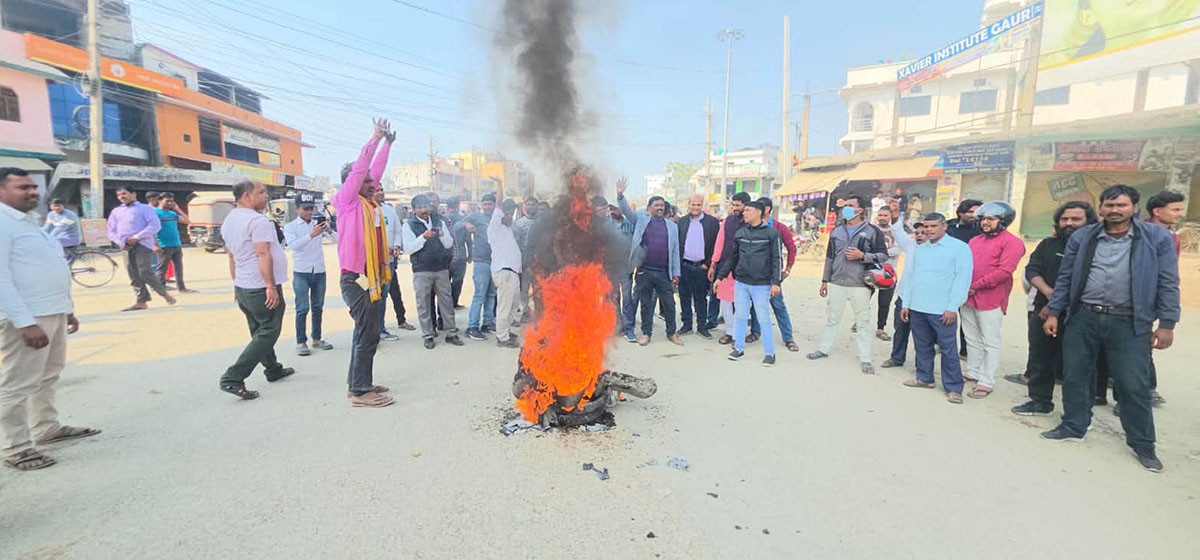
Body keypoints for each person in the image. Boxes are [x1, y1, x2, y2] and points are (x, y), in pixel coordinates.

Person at [1040, 185, 1179, 473]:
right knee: (1076, 375)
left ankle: (1143, 443)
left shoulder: (1156, 238)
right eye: (1110, 205)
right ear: (1101, 208)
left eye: (1121, 205)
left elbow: (1168, 281)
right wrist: (1054, 311)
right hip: (1083, 316)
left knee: (1132, 383)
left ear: (1134, 208)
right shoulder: (1083, 236)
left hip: (1129, 321)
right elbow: (1066, 277)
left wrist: (1167, 323)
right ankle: (1074, 425)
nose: (1115, 210)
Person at [0, 167, 99, 472]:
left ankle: (46, 428)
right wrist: (24, 322)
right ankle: (16, 447)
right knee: (17, 383)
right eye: (23, 188)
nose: (33, 192)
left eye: (33, 187)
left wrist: (67, 308)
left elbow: (49, 266)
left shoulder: (30, 222)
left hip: (51, 311)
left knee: (48, 375)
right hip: (27, 317)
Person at [331, 118, 396, 408]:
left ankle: (358, 384)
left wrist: (388, 145)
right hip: (356, 278)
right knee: (367, 333)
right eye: (367, 182)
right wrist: (375, 138)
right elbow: (362, 169)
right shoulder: (348, 201)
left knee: (368, 332)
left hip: (372, 276)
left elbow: (374, 170)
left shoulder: (370, 204)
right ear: (353, 183)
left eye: (373, 182)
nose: (373, 185)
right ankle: (360, 391)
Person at [1010, 201, 1096, 416]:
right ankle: (1040, 401)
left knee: (1078, 364)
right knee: (1040, 357)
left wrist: (1056, 303)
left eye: (1076, 219)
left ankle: (1078, 414)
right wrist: (1049, 293)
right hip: (1043, 309)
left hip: (1078, 313)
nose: (1069, 223)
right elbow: (1032, 270)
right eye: (1064, 219)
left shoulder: (1095, 248)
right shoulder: (1049, 244)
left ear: (1089, 222)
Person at [217, 179, 295, 400]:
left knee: (259, 330)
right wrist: (270, 285)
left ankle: (273, 369)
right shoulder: (257, 221)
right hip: (260, 286)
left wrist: (236, 284)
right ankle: (233, 377)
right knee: (269, 330)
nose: (266, 196)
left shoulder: (230, 220)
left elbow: (232, 256)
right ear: (246, 196)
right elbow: (263, 253)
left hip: (244, 285)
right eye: (261, 192)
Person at [807, 194, 889, 374]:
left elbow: (883, 255)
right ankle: (823, 349)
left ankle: (865, 358)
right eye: (845, 205)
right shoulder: (837, 231)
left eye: (850, 205)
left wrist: (863, 256)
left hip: (860, 283)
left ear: (860, 210)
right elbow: (829, 257)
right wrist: (825, 280)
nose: (846, 209)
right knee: (832, 318)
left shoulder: (872, 231)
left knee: (863, 322)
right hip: (837, 282)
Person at [899, 213, 973, 404]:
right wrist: (906, 304)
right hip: (918, 306)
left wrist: (952, 307)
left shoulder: (959, 248)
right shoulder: (921, 249)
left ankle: (954, 388)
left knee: (948, 349)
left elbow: (962, 280)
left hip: (942, 310)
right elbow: (912, 277)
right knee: (922, 345)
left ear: (944, 227)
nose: (929, 230)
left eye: (933, 226)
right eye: (926, 226)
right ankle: (925, 378)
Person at [959, 201, 1025, 399]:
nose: (985, 223)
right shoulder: (975, 240)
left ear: (1004, 220)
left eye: (991, 219)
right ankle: (973, 371)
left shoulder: (1013, 243)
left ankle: (986, 381)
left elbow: (1005, 271)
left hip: (991, 298)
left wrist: (976, 286)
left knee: (990, 340)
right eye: (983, 219)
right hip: (967, 297)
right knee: (971, 337)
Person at [616, 177, 682, 346]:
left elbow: (675, 251)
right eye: (656, 205)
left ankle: (672, 333)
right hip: (645, 271)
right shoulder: (641, 220)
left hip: (664, 272)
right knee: (646, 304)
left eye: (662, 205)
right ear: (649, 208)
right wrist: (620, 196)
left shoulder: (672, 226)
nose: (660, 208)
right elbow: (626, 211)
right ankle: (646, 333)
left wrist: (676, 273)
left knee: (669, 304)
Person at [717, 199, 782, 366]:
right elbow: (733, 257)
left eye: (748, 210)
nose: (744, 213)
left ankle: (769, 353)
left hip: (761, 284)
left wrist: (776, 282)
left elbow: (777, 259)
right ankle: (739, 348)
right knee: (740, 316)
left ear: (759, 213)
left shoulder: (771, 234)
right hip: (741, 282)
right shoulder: (741, 233)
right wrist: (720, 277)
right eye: (744, 210)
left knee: (763, 317)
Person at [402, 194, 463, 349]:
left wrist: (442, 236)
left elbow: (449, 244)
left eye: (426, 206)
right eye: (420, 207)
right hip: (421, 270)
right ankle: (428, 335)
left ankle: (451, 333)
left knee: (446, 302)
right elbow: (408, 249)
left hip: (441, 269)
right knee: (423, 303)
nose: (424, 210)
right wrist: (423, 237)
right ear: (414, 209)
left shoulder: (439, 222)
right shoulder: (409, 225)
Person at [283, 193, 337, 356]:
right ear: (297, 209)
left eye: (311, 208)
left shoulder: (318, 224)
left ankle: (316, 339)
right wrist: (311, 235)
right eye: (305, 208)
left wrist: (329, 231)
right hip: (302, 271)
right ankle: (301, 341)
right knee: (302, 308)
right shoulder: (290, 227)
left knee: (318, 307)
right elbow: (293, 245)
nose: (308, 212)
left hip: (319, 270)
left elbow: (338, 240)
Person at [107, 187, 176, 312]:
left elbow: (155, 225)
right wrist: (119, 242)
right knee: (133, 273)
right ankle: (141, 301)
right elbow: (111, 230)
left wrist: (137, 237)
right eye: (119, 195)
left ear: (133, 194)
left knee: (144, 271)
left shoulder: (145, 209)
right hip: (125, 246)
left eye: (124, 193)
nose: (121, 196)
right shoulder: (116, 211)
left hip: (143, 244)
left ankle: (164, 294)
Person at [748, 197, 798, 352]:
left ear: (767, 209)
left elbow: (792, 248)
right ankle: (755, 332)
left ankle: (788, 337)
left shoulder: (779, 227)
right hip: (755, 274)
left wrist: (787, 269)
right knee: (756, 305)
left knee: (778, 305)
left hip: (772, 274)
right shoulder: (750, 227)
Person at [880, 220, 925, 369]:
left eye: (923, 233)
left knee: (922, 334)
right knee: (900, 329)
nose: (919, 236)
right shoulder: (911, 245)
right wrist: (895, 215)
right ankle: (897, 358)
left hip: (923, 299)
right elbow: (898, 231)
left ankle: (922, 366)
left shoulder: (938, 252)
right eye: (917, 233)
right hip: (904, 295)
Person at [709, 192, 752, 345]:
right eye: (733, 205)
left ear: (746, 205)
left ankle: (739, 334)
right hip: (725, 269)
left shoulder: (752, 223)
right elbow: (719, 243)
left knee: (742, 303)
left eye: (737, 205)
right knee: (725, 301)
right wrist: (713, 263)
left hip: (746, 270)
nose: (734, 208)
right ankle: (729, 332)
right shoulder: (728, 221)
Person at [676, 193, 720, 339]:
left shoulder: (712, 222)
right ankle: (687, 325)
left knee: (701, 298)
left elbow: (715, 245)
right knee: (684, 296)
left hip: (702, 267)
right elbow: (677, 244)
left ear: (703, 205)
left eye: (698, 204)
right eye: (693, 204)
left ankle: (702, 326)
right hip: (684, 265)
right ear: (688, 205)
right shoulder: (681, 222)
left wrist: (708, 264)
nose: (695, 207)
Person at [458, 193, 498, 341]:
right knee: (480, 295)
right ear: (481, 205)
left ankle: (487, 324)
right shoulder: (475, 217)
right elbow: (457, 224)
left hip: (496, 261)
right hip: (481, 261)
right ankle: (472, 327)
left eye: (490, 204)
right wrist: (466, 225)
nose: (487, 206)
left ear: (494, 205)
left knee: (491, 294)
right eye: (485, 204)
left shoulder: (497, 218)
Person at [374, 189, 413, 342]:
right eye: (376, 190)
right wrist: (383, 249)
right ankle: (373, 330)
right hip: (373, 262)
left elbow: (397, 231)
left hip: (388, 261)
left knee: (384, 295)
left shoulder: (389, 210)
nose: (380, 192)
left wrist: (396, 246)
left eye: (381, 190)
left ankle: (381, 329)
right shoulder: (366, 210)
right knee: (374, 297)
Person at [489, 190, 522, 348]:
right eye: (508, 213)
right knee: (505, 306)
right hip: (504, 272)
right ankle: (502, 338)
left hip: (513, 272)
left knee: (513, 305)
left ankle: (506, 331)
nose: (511, 216)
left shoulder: (508, 230)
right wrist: (500, 185)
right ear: (501, 214)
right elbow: (498, 204)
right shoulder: (495, 227)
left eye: (512, 213)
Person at [610, 203, 639, 342]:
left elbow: (636, 245)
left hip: (626, 268)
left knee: (627, 299)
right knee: (613, 298)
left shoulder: (630, 225)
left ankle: (629, 329)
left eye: (615, 209)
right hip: (611, 268)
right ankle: (618, 326)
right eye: (610, 209)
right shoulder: (606, 225)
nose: (612, 211)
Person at [154, 193, 192, 292]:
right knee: (162, 268)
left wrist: (178, 209)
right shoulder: (155, 213)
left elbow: (187, 221)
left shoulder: (172, 214)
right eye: (167, 201)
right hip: (163, 244)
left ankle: (181, 288)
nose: (170, 203)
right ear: (159, 201)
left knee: (178, 268)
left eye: (171, 201)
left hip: (176, 244)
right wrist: (155, 244)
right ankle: (160, 287)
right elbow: (152, 230)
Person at [873, 206, 900, 341]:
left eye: (885, 215)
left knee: (884, 302)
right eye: (880, 215)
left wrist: (879, 253)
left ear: (890, 217)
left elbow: (898, 249)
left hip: (889, 272)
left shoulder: (896, 231)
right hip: (872, 269)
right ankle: (859, 322)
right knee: (863, 299)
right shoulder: (872, 229)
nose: (882, 218)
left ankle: (880, 328)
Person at [513, 195, 539, 323]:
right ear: (524, 207)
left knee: (538, 289)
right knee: (524, 290)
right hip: (524, 262)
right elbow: (516, 244)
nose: (531, 206)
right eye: (529, 204)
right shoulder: (519, 224)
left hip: (539, 262)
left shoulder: (542, 223)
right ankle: (524, 312)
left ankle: (540, 312)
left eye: (533, 204)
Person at [442, 196, 467, 309]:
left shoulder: (442, 218)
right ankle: (454, 302)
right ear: (458, 205)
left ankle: (445, 303)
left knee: (445, 281)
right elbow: (467, 238)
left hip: (445, 254)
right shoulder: (462, 219)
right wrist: (470, 253)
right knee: (458, 280)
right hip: (460, 254)